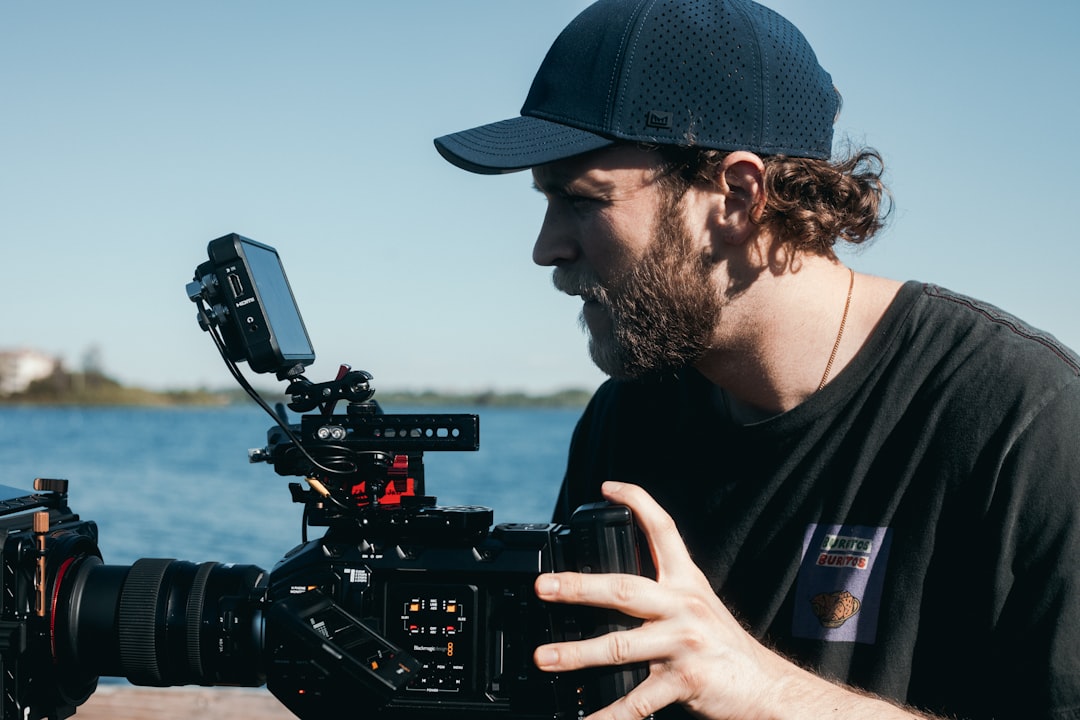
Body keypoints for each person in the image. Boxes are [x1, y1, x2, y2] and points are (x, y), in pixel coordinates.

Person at [434, 1, 1080, 719]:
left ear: (737, 196)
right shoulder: (630, 415)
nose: (546, 247)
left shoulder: (1028, 420)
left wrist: (764, 690)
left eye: (584, 201)